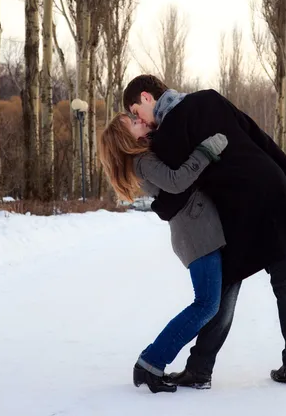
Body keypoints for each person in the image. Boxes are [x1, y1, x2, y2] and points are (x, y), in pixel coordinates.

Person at [123, 75, 286, 387]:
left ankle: (200, 369)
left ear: (146, 96)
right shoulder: (208, 97)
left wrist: (159, 208)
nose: (137, 119)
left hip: (237, 206)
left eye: (134, 111)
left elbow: (177, 189)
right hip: (271, 185)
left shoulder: (168, 134)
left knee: (225, 288)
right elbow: (256, 133)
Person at [99, 113, 228, 393]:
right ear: (126, 138)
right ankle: (150, 362)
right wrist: (206, 150)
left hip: (197, 231)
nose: (140, 120)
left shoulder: (144, 157)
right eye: (134, 122)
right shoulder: (142, 161)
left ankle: (152, 362)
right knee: (206, 304)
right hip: (196, 234)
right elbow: (176, 180)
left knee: (208, 304)